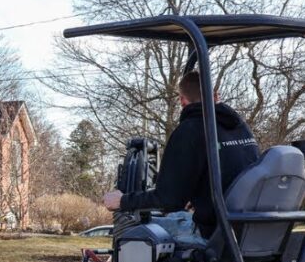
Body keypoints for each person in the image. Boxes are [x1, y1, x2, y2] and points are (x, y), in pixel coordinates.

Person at [102, 70, 259, 238]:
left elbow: (168, 200)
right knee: (177, 217)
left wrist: (123, 200)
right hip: (252, 229)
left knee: (133, 226)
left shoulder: (190, 130)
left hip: (215, 235)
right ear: (215, 96)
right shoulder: (240, 128)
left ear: (182, 101)